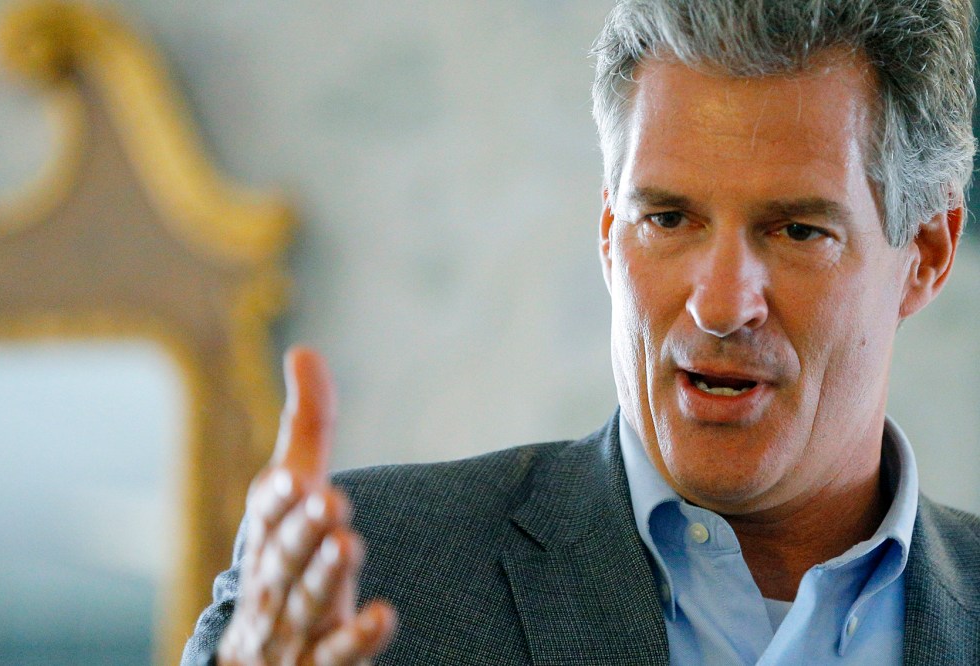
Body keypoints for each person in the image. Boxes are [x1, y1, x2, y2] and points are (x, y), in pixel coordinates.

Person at [183, 0, 980, 663]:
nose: (721, 304)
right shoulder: (373, 578)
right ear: (608, 233)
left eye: (798, 231)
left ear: (928, 254)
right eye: (667, 218)